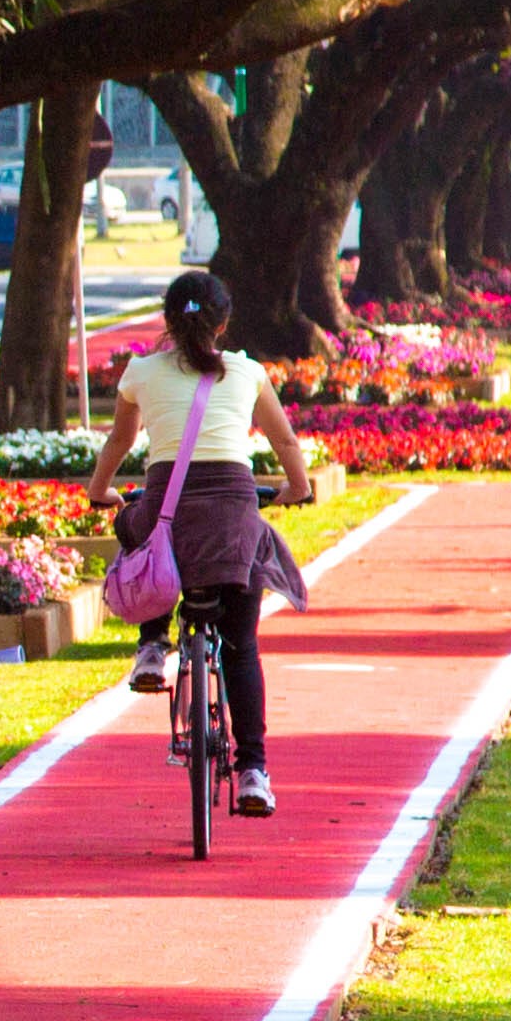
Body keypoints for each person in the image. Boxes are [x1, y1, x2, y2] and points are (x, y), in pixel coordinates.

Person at [90, 270, 321, 816]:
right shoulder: (246, 372)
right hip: (234, 515)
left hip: (169, 510)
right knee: (241, 647)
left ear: (169, 321)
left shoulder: (141, 372)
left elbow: (121, 440)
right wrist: (298, 487)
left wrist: (101, 492)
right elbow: (284, 438)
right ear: (224, 323)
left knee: (138, 532)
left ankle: (152, 644)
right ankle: (253, 774)